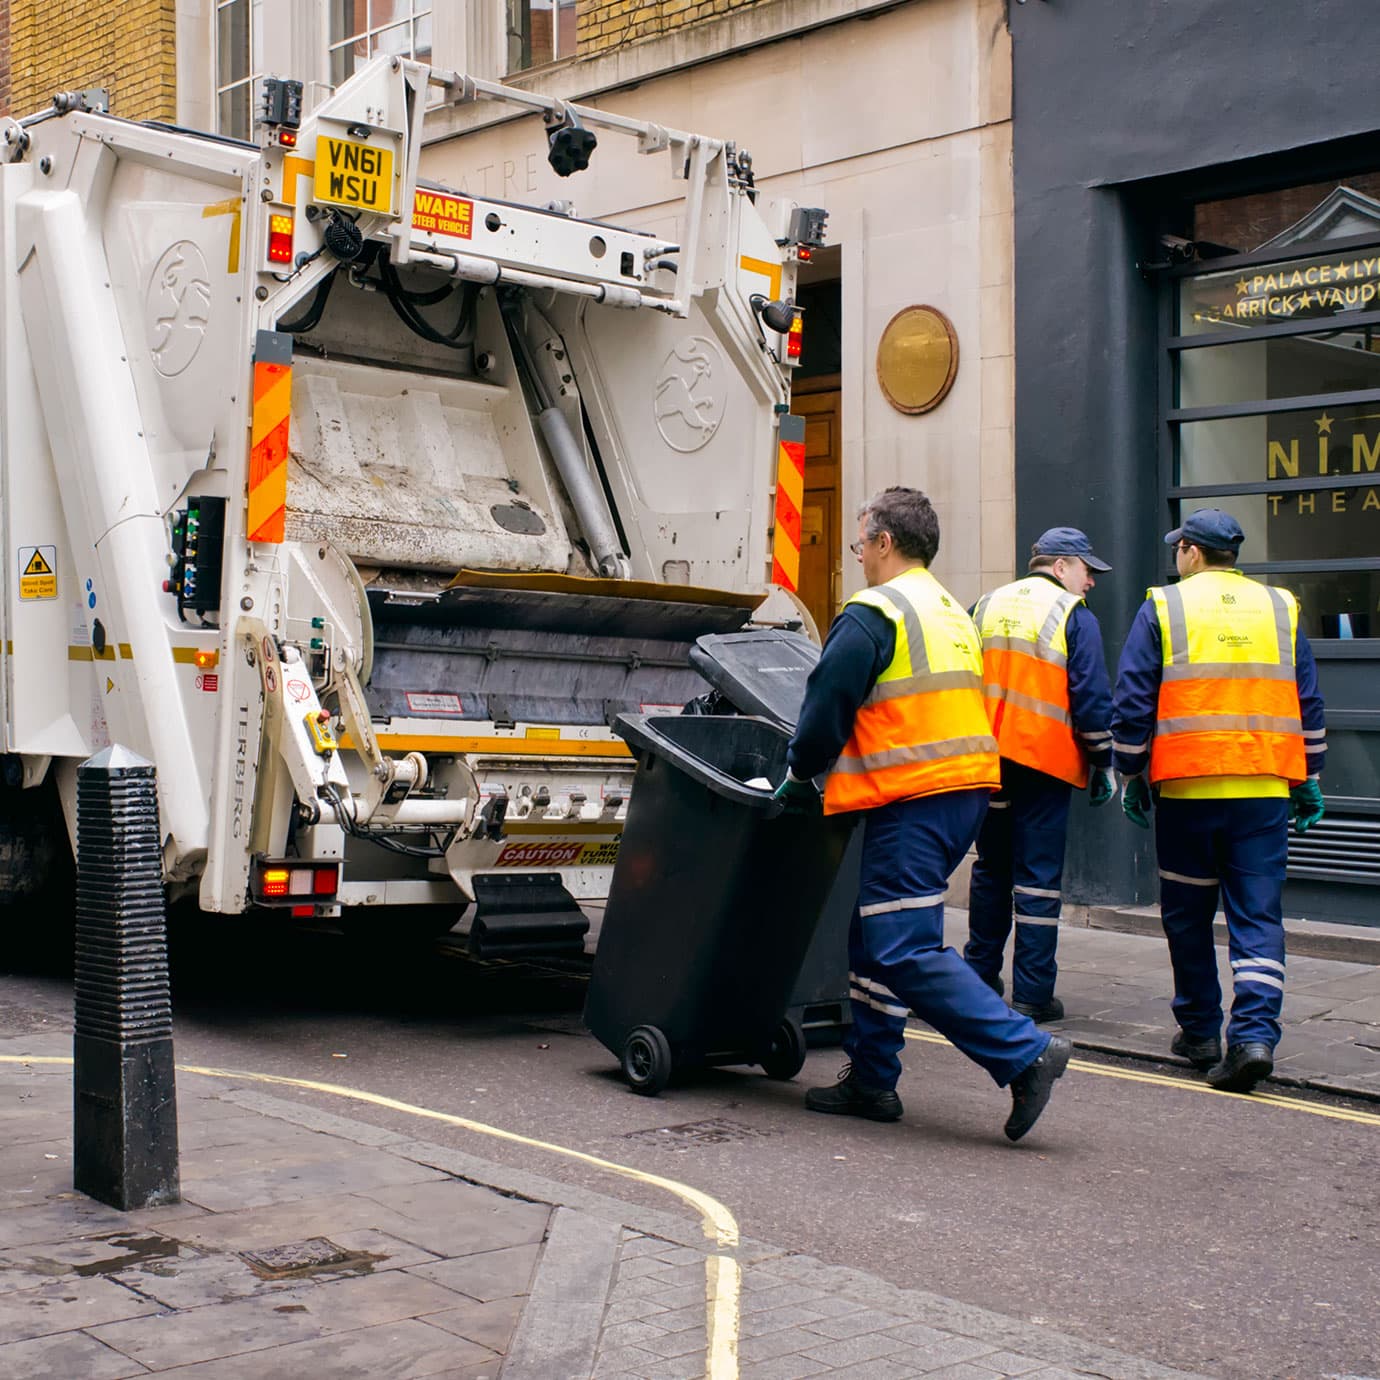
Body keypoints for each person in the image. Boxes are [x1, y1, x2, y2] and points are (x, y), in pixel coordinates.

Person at [774, 487, 1072, 1142]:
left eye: (859, 544)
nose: (859, 557)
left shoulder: (876, 611)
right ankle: (874, 1079)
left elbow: (827, 704)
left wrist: (799, 772)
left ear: (883, 541)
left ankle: (1024, 1054)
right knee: (872, 937)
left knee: (902, 946)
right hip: (958, 791)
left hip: (916, 795)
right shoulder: (948, 610)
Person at [1110, 508, 1326, 1094]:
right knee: (1258, 914)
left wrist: (1131, 773)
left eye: (1178, 546)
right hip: (1262, 790)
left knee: (1187, 914)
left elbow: (1133, 700)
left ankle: (1202, 1032)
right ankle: (1254, 1037)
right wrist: (1308, 777)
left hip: (1188, 789)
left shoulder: (1164, 605)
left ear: (1192, 553)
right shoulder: (1281, 606)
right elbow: (1305, 696)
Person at [963, 529, 1116, 1022]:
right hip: (1042, 764)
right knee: (1037, 880)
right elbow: (1091, 699)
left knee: (990, 869)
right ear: (1061, 566)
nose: (1090, 581)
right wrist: (1103, 760)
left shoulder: (984, 604)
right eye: (1086, 570)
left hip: (987, 762)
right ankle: (1032, 993)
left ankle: (979, 977)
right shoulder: (1072, 615)